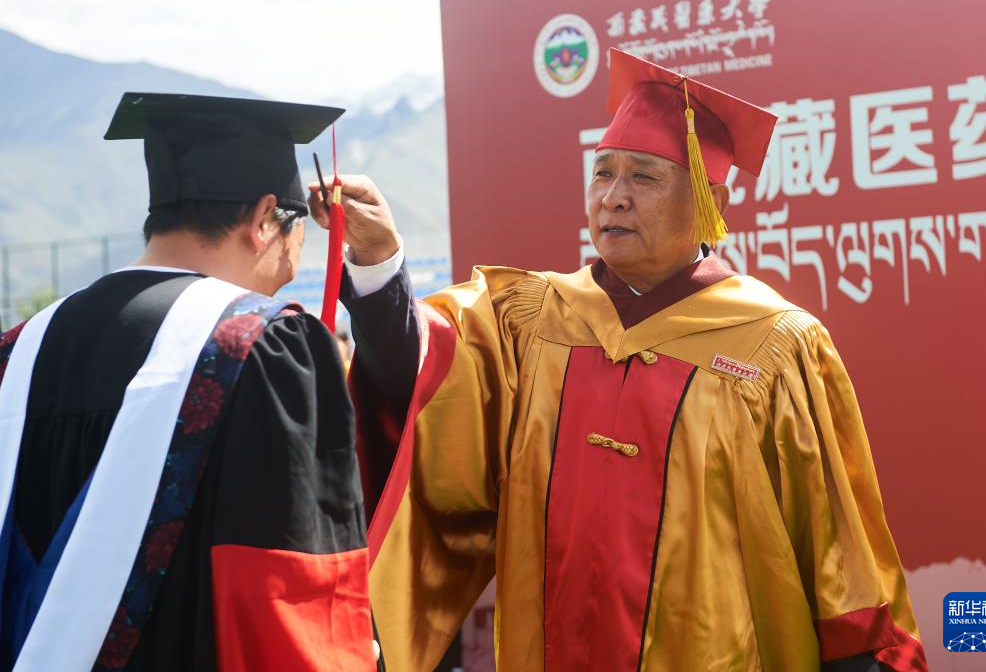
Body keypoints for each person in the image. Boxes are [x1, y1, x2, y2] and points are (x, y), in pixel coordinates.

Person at [315, 49, 928, 672]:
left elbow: (839, 555)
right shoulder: (531, 322)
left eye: (644, 177)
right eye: (602, 173)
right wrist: (381, 262)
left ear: (710, 202)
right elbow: (422, 369)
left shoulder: (773, 347)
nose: (614, 198)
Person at [0, 93, 375, 672]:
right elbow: (291, 598)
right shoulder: (257, 347)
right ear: (264, 220)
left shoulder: (18, 351)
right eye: (298, 225)